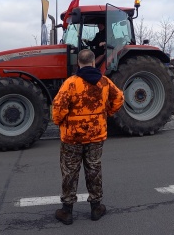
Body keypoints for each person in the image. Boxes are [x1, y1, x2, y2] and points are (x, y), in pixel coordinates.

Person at [52, 49, 124, 225]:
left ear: (78, 63)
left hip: (72, 137)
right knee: (94, 169)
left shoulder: (70, 83)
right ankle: (96, 207)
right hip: (96, 135)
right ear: (93, 63)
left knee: (69, 172)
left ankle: (67, 211)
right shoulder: (105, 82)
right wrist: (106, 113)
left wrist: (59, 122)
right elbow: (119, 98)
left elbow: (58, 108)